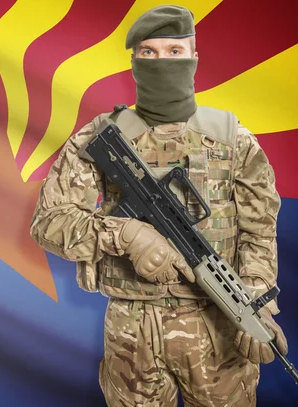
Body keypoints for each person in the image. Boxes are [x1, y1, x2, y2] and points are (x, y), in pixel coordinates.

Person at [30, 5, 289, 406]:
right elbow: (49, 222)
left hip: (217, 333)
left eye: (174, 51)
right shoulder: (102, 136)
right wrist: (127, 234)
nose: (161, 62)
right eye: (149, 53)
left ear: (194, 58)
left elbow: (259, 231)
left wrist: (254, 304)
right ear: (133, 61)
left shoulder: (233, 139)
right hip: (131, 332)